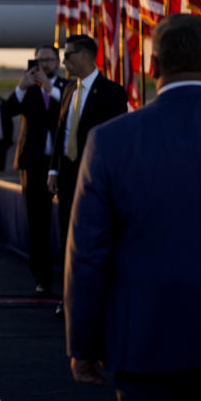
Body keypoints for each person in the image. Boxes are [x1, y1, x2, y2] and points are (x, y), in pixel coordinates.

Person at [65, 14, 201, 401]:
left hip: (145, 340)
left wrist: (83, 345)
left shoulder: (111, 141)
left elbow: (87, 255)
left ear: (153, 67)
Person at [47, 34, 126, 315]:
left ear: (84, 56)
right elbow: (61, 132)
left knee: (93, 238)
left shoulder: (112, 92)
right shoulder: (69, 89)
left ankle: (95, 297)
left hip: (95, 179)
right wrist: (54, 168)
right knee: (67, 236)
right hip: (67, 177)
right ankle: (69, 297)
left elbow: (117, 140)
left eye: (67, 56)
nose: (63, 61)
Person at [2, 45, 67, 295]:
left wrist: (51, 90)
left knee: (65, 220)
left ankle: (68, 273)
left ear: (58, 62)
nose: (44, 65)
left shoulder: (67, 87)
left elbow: (71, 112)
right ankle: (42, 277)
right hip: (33, 163)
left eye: (49, 60)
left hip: (62, 162)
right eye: (40, 60)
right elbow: (7, 111)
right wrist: (21, 87)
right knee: (37, 222)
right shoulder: (27, 90)